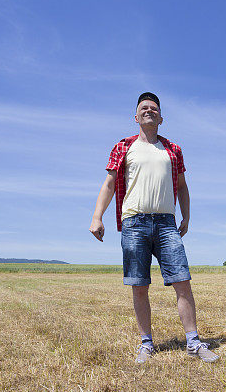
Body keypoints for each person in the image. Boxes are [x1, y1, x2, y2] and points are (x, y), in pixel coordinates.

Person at [89, 92, 219, 364]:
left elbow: (182, 186)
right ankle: (146, 344)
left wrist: (186, 217)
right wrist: (97, 217)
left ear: (161, 118)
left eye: (154, 108)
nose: (149, 111)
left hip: (166, 223)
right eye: (144, 108)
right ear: (136, 117)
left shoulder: (173, 150)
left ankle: (193, 342)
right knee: (139, 285)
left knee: (182, 280)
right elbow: (110, 184)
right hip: (134, 222)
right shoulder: (123, 147)